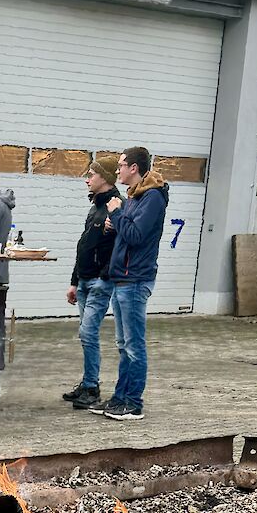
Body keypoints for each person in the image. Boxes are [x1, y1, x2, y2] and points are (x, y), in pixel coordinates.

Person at [88, 146, 169, 422]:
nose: (118, 170)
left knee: (134, 344)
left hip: (135, 280)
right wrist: (116, 222)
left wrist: (118, 215)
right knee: (123, 344)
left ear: (134, 168)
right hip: (122, 279)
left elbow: (136, 236)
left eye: (121, 165)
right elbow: (128, 230)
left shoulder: (152, 197)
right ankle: (119, 398)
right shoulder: (135, 197)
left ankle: (133, 403)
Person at [62, 155, 123, 412]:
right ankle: (88, 383)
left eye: (92, 174)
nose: (88, 179)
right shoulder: (96, 206)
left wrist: (105, 276)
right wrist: (75, 281)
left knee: (87, 333)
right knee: (87, 336)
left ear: (105, 178)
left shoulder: (116, 206)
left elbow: (122, 245)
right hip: (86, 280)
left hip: (100, 282)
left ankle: (92, 388)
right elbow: (84, 245)